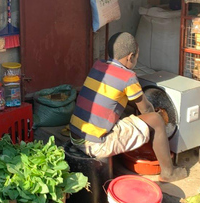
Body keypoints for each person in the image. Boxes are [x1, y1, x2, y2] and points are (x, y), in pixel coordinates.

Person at [69, 32, 187, 183]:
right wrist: (157, 113)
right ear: (130, 57)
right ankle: (168, 173)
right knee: (156, 120)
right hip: (95, 145)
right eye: (137, 57)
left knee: (126, 112)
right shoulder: (128, 77)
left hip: (75, 136)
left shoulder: (98, 66)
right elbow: (147, 111)